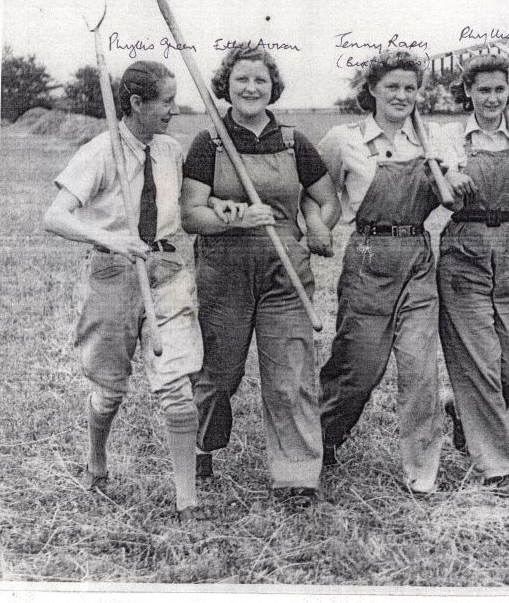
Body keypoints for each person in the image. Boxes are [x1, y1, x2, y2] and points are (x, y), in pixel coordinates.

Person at [43, 60, 206, 521]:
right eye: (167, 101)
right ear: (136, 103)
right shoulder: (99, 151)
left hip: (168, 271)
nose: (174, 110)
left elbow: (188, 209)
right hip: (113, 274)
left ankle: (187, 499)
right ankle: (97, 460)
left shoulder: (171, 150)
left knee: (177, 388)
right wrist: (111, 239)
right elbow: (54, 216)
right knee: (109, 390)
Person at [181, 46, 340, 507]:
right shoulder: (209, 142)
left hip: (285, 274)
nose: (251, 89)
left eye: (261, 82)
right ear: (226, 87)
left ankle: (296, 475)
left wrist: (317, 226)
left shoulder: (294, 141)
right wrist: (231, 218)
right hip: (224, 274)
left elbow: (328, 201)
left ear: (274, 88)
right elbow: (191, 215)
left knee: (291, 375)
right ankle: (203, 445)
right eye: (242, 81)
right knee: (218, 375)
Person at [317, 50, 457, 495]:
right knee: (358, 369)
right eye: (392, 86)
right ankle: (321, 440)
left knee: (420, 370)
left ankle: (422, 473)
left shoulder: (433, 139)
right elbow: (314, 190)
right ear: (372, 89)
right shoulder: (345, 138)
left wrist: (457, 179)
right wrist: (319, 224)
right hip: (369, 257)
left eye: (410, 88)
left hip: (416, 254)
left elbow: (456, 183)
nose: (402, 95)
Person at [437, 54, 509, 496]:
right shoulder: (451, 137)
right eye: (483, 90)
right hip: (466, 246)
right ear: (469, 93)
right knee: (478, 356)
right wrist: (452, 176)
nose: (492, 98)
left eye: (499, 89)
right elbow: (441, 179)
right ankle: (496, 465)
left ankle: (462, 410)